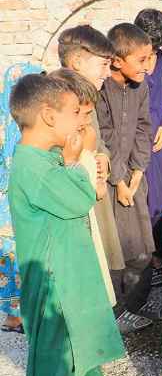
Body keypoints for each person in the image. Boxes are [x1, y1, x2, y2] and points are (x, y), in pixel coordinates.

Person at [8, 72, 123, 376]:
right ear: (48, 116)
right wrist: (73, 164)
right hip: (53, 281)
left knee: (80, 338)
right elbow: (78, 200)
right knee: (54, 351)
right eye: (75, 113)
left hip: (67, 271)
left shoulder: (42, 158)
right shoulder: (33, 168)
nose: (81, 123)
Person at [97, 23, 157, 333]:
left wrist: (138, 173)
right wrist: (119, 181)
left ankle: (134, 304)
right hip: (109, 183)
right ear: (118, 61)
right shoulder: (100, 90)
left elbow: (144, 128)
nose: (147, 66)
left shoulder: (141, 87)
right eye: (141, 60)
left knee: (142, 245)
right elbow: (104, 136)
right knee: (115, 247)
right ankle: (116, 313)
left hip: (134, 179)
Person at [58, 25, 127, 282]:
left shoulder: (86, 94)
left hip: (93, 187)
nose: (108, 73)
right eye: (104, 65)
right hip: (78, 198)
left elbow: (99, 141)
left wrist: (102, 158)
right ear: (77, 62)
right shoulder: (59, 99)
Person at [46, 69, 117, 306]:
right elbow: (88, 191)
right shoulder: (60, 147)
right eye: (82, 114)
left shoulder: (80, 137)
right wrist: (85, 154)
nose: (87, 121)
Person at [134, 9, 162, 287]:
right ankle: (146, 263)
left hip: (158, 144)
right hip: (136, 145)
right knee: (143, 204)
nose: (153, 51)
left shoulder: (159, 59)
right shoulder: (128, 63)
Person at [0, 63, 41, 336]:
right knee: (16, 256)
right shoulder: (25, 125)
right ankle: (18, 316)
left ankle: (15, 315)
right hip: (14, 200)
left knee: (12, 257)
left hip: (8, 199)